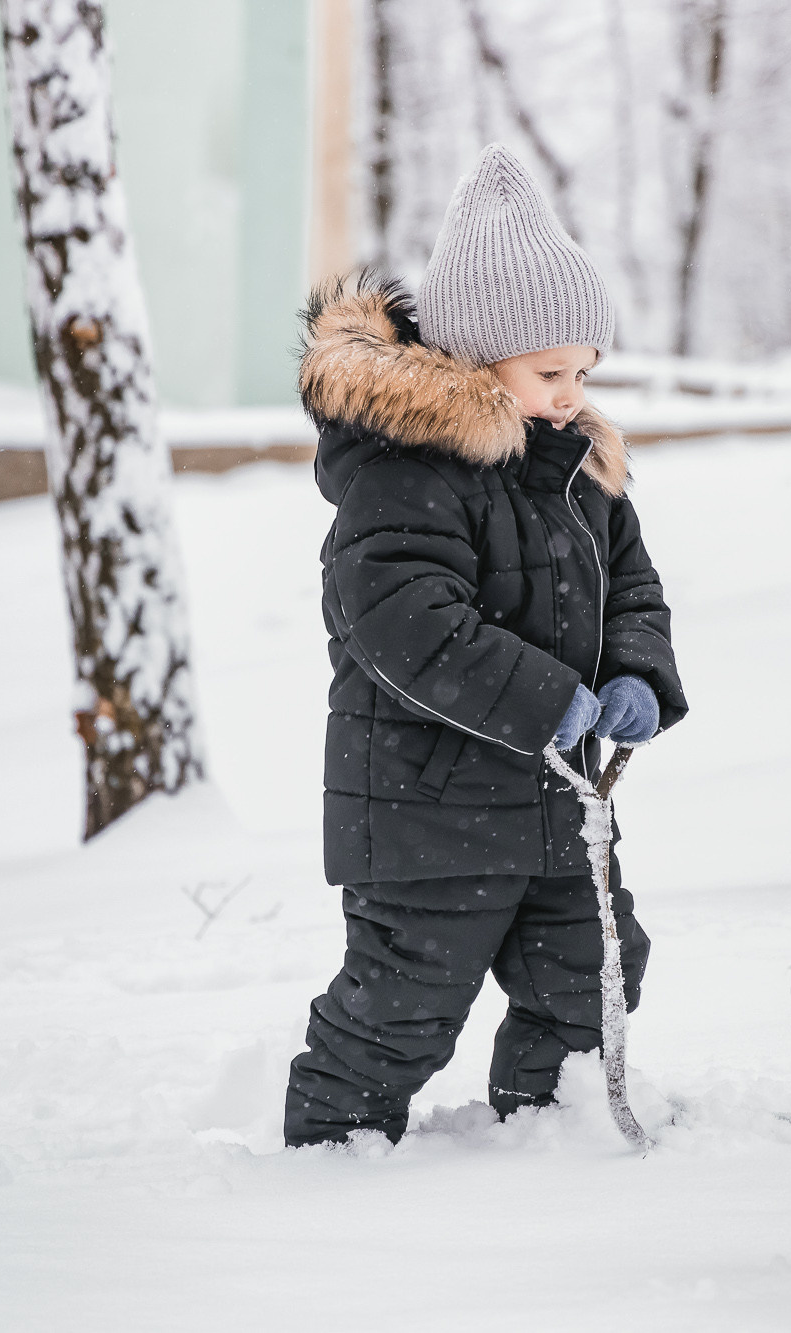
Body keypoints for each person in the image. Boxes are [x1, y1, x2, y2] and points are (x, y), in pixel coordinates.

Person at [283, 144, 688, 1147]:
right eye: (549, 371)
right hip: (425, 812)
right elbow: (404, 625)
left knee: (592, 976)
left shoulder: (576, 467)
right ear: (475, 355)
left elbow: (630, 583)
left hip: (558, 800)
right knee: (403, 1004)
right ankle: (327, 1151)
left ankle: (549, 1128)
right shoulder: (400, 473)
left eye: (582, 372)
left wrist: (633, 668)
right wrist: (542, 696)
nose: (569, 394)